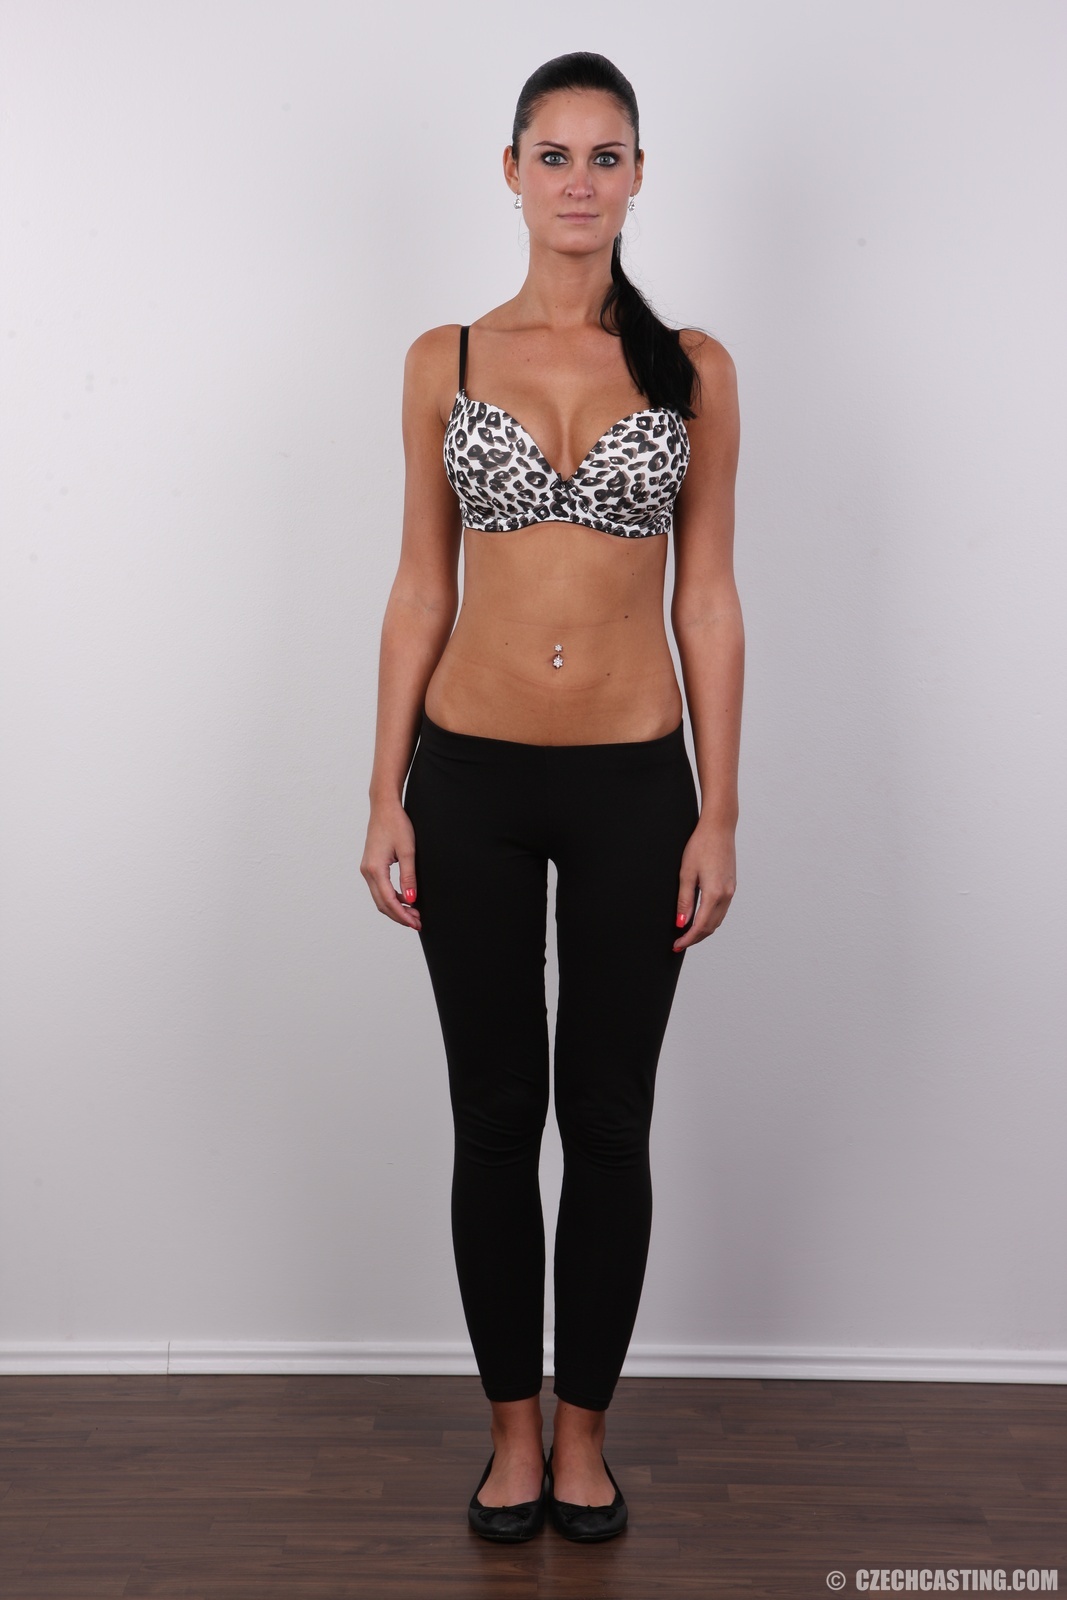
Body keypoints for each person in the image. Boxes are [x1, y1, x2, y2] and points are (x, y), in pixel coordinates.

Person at [360, 51, 743, 1544]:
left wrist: (720, 810)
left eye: (607, 155)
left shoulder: (692, 368)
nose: (580, 181)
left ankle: (586, 1436)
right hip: (469, 778)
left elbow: (707, 599)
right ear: (511, 171)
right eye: (555, 154)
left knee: (611, 1120)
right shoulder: (445, 358)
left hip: (637, 786)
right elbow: (418, 586)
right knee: (493, 1116)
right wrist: (383, 792)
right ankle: (510, 1438)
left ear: (639, 178)